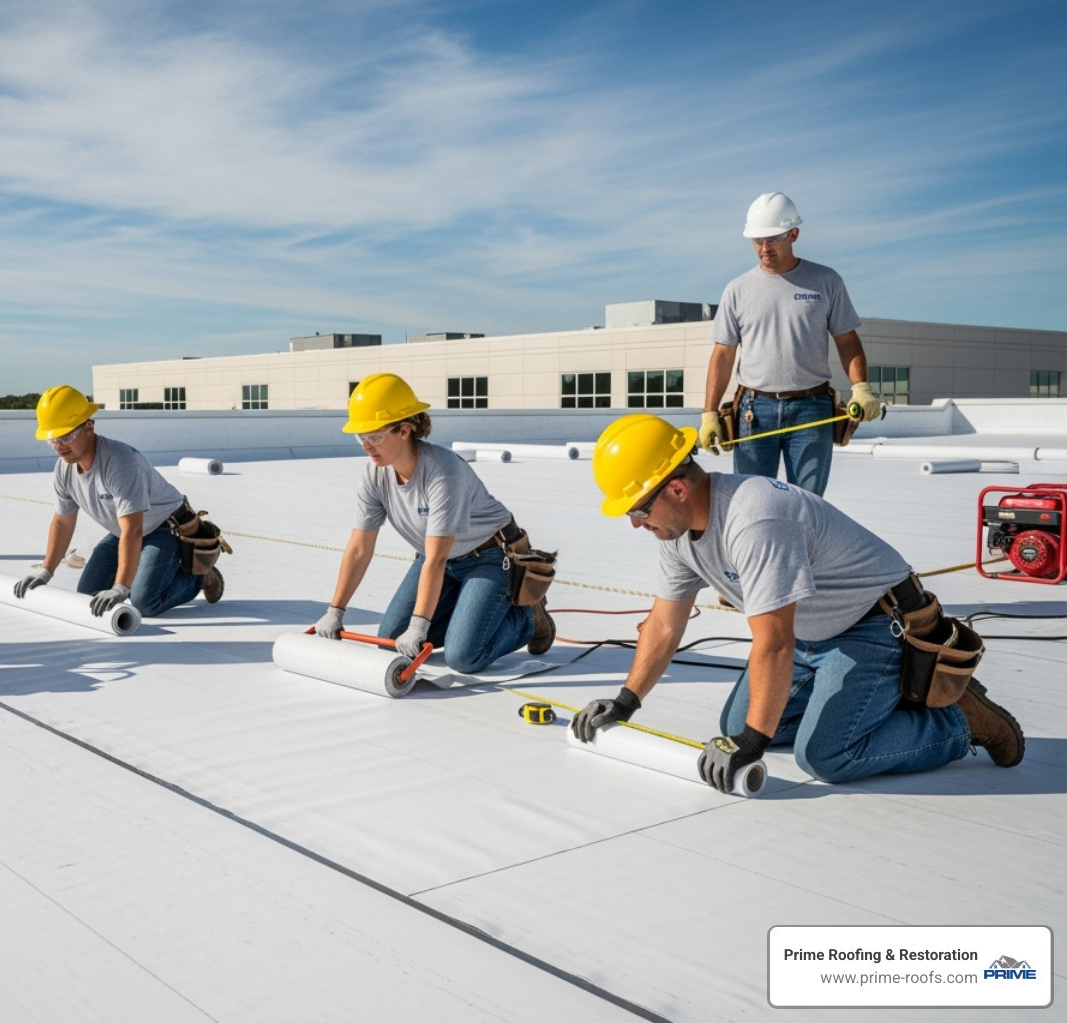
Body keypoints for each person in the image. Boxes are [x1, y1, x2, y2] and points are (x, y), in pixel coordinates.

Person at [573, 413, 1024, 791]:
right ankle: (878, 704)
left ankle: (960, 722)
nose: (636, 524)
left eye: (638, 509)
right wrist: (626, 701)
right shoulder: (676, 535)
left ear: (676, 489)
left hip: (876, 627)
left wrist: (753, 742)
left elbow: (774, 643)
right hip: (814, 634)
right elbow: (664, 625)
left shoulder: (754, 518)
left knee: (824, 755)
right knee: (739, 727)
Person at [311, 373, 554, 674]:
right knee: (388, 641)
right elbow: (360, 548)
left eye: (375, 436)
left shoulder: (442, 474)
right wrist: (335, 610)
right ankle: (469, 616)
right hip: (440, 560)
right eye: (361, 437)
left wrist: (418, 626)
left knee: (463, 657)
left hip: (489, 557)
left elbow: (436, 559)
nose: (366, 446)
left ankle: (528, 618)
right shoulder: (374, 475)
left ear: (404, 430)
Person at [700, 192, 882, 496]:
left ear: (794, 234)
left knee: (808, 504)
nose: (764, 248)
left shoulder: (825, 281)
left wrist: (861, 388)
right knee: (752, 501)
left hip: (812, 409)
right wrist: (709, 413)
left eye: (772, 239)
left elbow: (847, 341)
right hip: (753, 411)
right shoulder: (738, 289)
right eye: (757, 241)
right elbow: (723, 355)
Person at [13, 385, 225, 617]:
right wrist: (46, 571)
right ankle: (145, 571)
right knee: (87, 596)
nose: (59, 446)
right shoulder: (64, 468)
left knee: (144, 602)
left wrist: (120, 587)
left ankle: (202, 576)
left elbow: (133, 530)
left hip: (164, 527)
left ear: (89, 427)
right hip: (123, 530)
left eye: (66, 436)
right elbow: (63, 522)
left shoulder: (120, 464)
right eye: (52, 439)